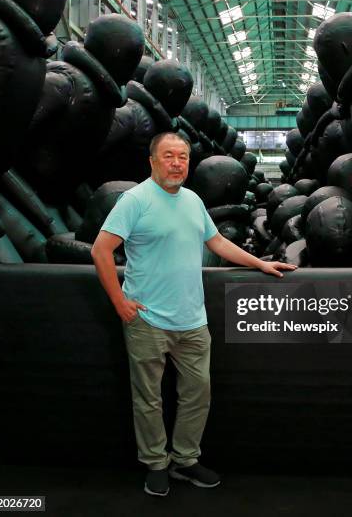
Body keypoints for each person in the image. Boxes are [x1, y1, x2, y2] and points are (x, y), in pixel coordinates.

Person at [91, 132, 297, 497]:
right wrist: (120, 303)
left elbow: (216, 242)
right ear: (153, 160)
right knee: (149, 399)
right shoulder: (134, 200)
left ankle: (185, 460)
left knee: (197, 394)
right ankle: (156, 463)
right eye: (169, 156)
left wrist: (260, 264)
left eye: (182, 157)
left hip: (192, 321)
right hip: (147, 320)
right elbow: (101, 250)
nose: (176, 163)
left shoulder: (192, 200)